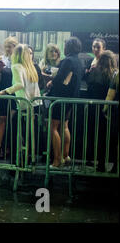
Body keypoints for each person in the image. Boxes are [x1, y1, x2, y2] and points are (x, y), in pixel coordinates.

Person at [47, 37, 83, 169]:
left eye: (65, 45)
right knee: (65, 126)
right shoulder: (79, 61)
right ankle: (65, 156)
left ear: (69, 46)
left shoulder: (67, 60)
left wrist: (51, 81)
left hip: (61, 98)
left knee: (53, 127)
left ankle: (57, 160)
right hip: (71, 99)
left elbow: (60, 78)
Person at [85, 50, 118, 171]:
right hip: (113, 110)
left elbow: (90, 86)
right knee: (113, 139)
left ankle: (100, 164)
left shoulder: (95, 71)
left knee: (99, 137)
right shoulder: (115, 73)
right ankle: (115, 165)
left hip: (96, 108)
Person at [0, 36, 18, 158]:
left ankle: (8, 146)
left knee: (11, 121)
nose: (8, 48)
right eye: (7, 46)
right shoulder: (1, 58)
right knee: (1, 119)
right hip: (3, 91)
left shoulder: (19, 59)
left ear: (15, 47)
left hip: (15, 93)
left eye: (11, 46)